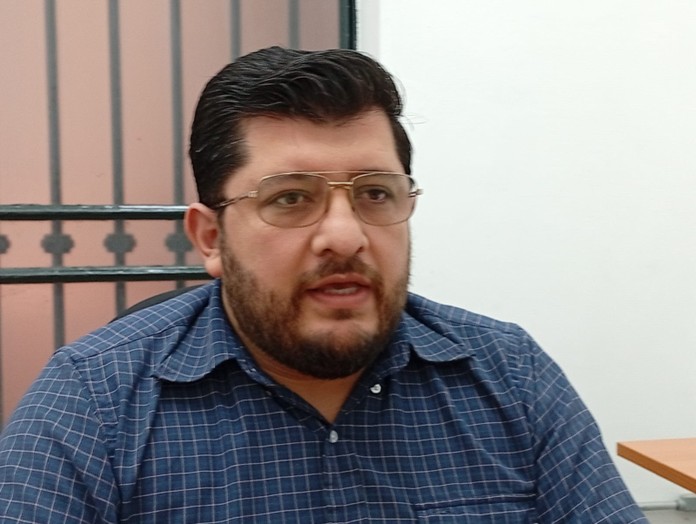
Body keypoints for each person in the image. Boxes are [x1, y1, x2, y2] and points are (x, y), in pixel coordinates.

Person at [0, 46, 646, 523]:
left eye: (375, 193)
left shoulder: (511, 377)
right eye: (290, 198)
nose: (345, 236)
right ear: (211, 237)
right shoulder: (94, 402)